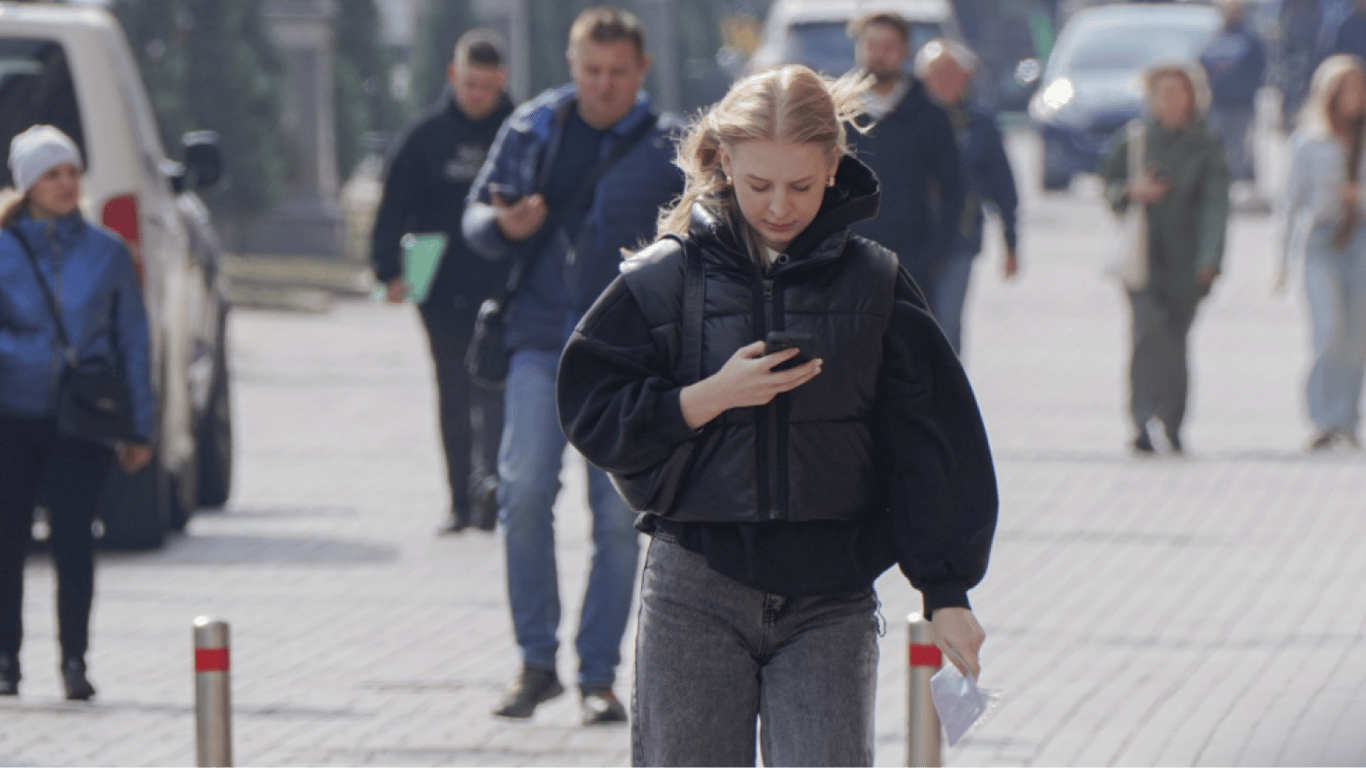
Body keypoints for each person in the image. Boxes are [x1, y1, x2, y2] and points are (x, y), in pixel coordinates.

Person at [557, 65, 998, 766]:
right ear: (723, 162)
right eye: (760, 184)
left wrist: (946, 590)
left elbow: (932, 442)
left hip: (831, 600)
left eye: (801, 185)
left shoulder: (876, 283)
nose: (780, 207)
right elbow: (593, 412)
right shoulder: (664, 277)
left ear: (833, 165)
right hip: (693, 591)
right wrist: (711, 395)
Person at [461, 6, 684, 724]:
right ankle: (536, 664)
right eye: (591, 70)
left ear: (641, 69)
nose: (604, 85)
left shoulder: (669, 145)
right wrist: (502, 225)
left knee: (618, 518)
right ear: (572, 65)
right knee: (523, 491)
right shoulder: (533, 127)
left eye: (618, 72)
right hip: (537, 340)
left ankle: (597, 674)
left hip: (626, 355)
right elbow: (474, 220)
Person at [0, 125, 154, 700]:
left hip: (81, 417)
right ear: (27, 184)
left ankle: (74, 661)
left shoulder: (108, 252)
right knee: (6, 541)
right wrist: (21, 354)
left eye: (72, 172)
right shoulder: (4, 249)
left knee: (74, 538)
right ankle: (6, 659)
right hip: (10, 414)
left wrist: (140, 426)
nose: (66, 184)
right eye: (52, 174)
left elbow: (132, 340)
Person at [370, 30, 515, 534]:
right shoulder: (424, 137)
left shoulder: (521, 134)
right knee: (453, 393)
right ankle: (460, 501)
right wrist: (387, 271)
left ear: (502, 81)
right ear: (454, 76)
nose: (478, 95)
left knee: (497, 393)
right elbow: (393, 206)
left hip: (505, 286)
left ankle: (494, 493)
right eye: (470, 84)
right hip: (438, 285)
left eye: (488, 87)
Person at [1099, 62, 1230, 454]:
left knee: (1174, 341)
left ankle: (1172, 422)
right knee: (1145, 334)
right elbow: (1108, 183)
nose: (1171, 100)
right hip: (1142, 259)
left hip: (1186, 263)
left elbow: (1215, 205)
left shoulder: (1205, 145)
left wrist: (1210, 258)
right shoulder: (1134, 140)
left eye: (1179, 92)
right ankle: (1141, 420)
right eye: (1163, 93)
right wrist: (1130, 191)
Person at [1278, 54, 1366, 449]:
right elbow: (1289, 203)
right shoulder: (1309, 142)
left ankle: (1347, 420)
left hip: (1360, 237)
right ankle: (1323, 418)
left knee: (1356, 336)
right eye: (1345, 90)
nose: (1353, 97)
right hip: (1322, 240)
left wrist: (1357, 196)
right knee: (1328, 329)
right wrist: (1282, 259)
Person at [845, 11, 965, 297]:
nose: (878, 55)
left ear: (905, 50)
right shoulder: (838, 112)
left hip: (912, 264)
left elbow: (953, 189)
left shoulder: (929, 115)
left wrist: (933, 254)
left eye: (888, 47)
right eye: (871, 45)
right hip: (847, 265)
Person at [916, 39, 1020, 355]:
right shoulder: (910, 120)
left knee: (948, 320)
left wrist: (1011, 241)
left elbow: (1003, 186)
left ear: (967, 78)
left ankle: (948, 383)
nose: (944, 81)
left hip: (960, 237)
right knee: (916, 320)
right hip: (914, 236)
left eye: (952, 73)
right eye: (936, 73)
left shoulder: (980, 125)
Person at [1199, 0, 1267, 183]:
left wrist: (1246, 89)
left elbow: (1259, 69)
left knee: (1239, 145)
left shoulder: (1250, 39)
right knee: (1216, 142)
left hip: (1241, 103)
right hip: (1218, 102)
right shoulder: (1213, 38)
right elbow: (1201, 64)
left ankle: (1234, 182)